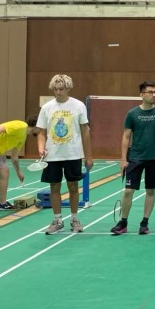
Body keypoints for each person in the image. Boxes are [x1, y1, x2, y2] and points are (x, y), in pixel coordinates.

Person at [36, 74, 93, 236]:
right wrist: (41, 147)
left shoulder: (78, 106)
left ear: (68, 88)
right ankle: (57, 220)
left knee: (73, 186)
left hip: (73, 154)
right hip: (52, 155)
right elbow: (41, 132)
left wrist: (88, 156)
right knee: (54, 187)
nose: (58, 92)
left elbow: (85, 132)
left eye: (61, 89)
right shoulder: (47, 108)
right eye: (55, 89)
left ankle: (74, 219)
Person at [112, 81, 155, 236]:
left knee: (150, 190)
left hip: (154, 158)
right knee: (128, 191)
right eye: (150, 92)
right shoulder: (132, 114)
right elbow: (126, 137)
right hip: (135, 158)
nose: (154, 95)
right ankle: (123, 222)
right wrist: (123, 159)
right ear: (142, 95)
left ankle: (144, 223)